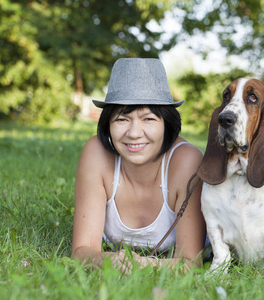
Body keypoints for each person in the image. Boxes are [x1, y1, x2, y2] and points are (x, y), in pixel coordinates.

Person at [71, 58, 206, 273]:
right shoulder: (96, 153)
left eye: (148, 119)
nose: (134, 133)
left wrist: (141, 264)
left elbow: (190, 262)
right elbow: (81, 250)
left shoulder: (187, 161)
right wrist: (108, 260)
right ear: (108, 123)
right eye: (122, 119)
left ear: (167, 124)